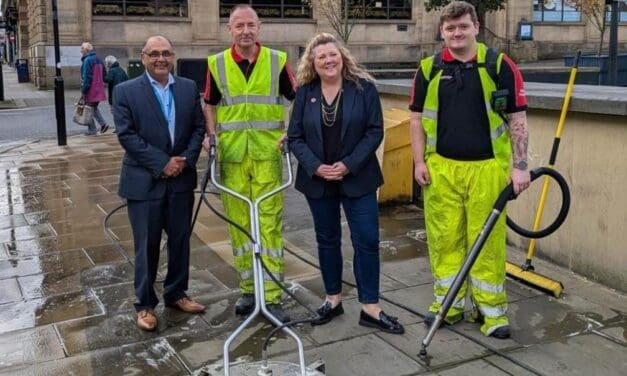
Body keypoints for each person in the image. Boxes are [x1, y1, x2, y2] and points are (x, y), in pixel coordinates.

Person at [409, 1, 530, 339]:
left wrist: (520, 167)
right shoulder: (428, 69)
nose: (457, 33)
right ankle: (448, 305)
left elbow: (518, 119)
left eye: (463, 26)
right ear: (442, 31)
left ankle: (491, 312)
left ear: (476, 26)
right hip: (441, 170)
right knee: (444, 240)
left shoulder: (499, 66)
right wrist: (418, 162)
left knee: (487, 241)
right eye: (450, 28)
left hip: (487, 170)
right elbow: (416, 120)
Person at [287, 32, 404, 334]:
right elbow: (295, 137)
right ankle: (332, 299)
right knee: (326, 241)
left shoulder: (363, 88)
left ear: (343, 57)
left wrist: (347, 165)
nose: (328, 59)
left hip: (358, 178)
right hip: (318, 181)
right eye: (321, 55)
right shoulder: (305, 92)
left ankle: (371, 308)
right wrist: (316, 167)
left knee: (366, 240)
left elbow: (375, 131)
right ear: (312, 62)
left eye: (333, 54)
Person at [202, 4, 296, 323]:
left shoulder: (277, 61)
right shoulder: (216, 63)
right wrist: (211, 136)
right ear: (230, 29)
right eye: (239, 25)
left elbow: (296, 98)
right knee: (239, 224)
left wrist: (292, 133)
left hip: (268, 155)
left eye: (250, 25)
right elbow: (209, 104)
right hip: (231, 157)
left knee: (268, 223)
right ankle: (248, 289)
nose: (245, 31)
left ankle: (271, 294)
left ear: (259, 27)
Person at [113, 35, 207, 331]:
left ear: (173, 55)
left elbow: (198, 127)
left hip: (180, 179)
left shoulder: (189, 88)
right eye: (154, 54)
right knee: (147, 244)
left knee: (180, 240)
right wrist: (161, 163)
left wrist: (184, 160)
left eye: (166, 53)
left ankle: (176, 293)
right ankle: (144, 304)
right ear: (143, 57)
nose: (160, 59)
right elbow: (127, 136)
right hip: (144, 182)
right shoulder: (125, 91)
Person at [80, 42, 110, 136]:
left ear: (86, 49)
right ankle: (103, 124)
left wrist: (84, 90)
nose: (81, 50)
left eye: (82, 48)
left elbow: (87, 77)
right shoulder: (99, 59)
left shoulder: (87, 60)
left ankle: (92, 130)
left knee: (88, 109)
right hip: (99, 89)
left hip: (91, 90)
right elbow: (105, 74)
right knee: (94, 108)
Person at [104, 55, 129, 132]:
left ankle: (119, 127)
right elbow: (127, 79)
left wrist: (103, 74)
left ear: (109, 63)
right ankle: (124, 126)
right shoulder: (121, 70)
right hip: (123, 93)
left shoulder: (112, 71)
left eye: (106, 63)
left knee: (115, 112)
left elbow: (107, 79)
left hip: (114, 94)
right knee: (122, 111)